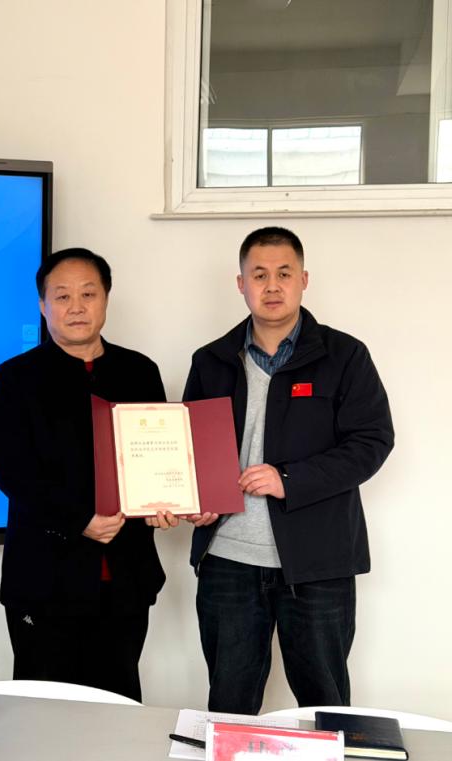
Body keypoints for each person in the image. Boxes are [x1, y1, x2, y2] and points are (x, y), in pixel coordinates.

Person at [182, 226, 394, 714]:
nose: (272, 286)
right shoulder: (211, 360)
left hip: (318, 563)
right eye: (259, 275)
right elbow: (189, 449)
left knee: (325, 707)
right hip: (228, 561)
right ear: (241, 284)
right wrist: (195, 500)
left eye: (284, 273)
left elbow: (372, 442)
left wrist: (288, 479)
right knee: (229, 706)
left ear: (304, 280)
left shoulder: (345, 356)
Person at [0, 247, 167, 702]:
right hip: (45, 577)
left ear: (106, 298)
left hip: (125, 575)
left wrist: (166, 502)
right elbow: (8, 469)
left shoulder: (139, 371)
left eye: (88, 293)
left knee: (118, 703)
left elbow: (158, 459)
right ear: (43, 305)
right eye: (62, 296)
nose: (76, 306)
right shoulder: (15, 378)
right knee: (44, 707)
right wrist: (78, 519)